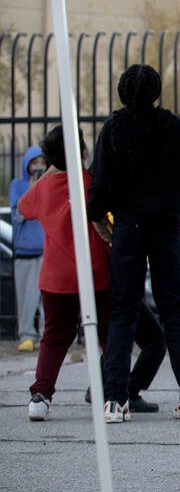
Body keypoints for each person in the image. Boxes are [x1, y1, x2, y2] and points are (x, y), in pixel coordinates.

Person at [88, 64, 180, 423]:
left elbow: (99, 183)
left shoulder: (113, 129)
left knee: (123, 311)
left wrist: (99, 219)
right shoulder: (172, 127)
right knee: (174, 309)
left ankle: (114, 399)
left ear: (122, 93)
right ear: (156, 92)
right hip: (165, 227)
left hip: (127, 227)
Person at [19, 127, 112, 421]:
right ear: (83, 153)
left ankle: (41, 394)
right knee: (109, 333)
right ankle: (110, 391)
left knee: (55, 336)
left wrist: (50, 172)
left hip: (55, 277)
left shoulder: (44, 190)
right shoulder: (92, 183)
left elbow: (24, 207)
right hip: (95, 272)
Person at [10, 145, 47, 352]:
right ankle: (26, 335)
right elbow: (19, 214)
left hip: (46, 249)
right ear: (27, 165)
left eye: (42, 163)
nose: (39, 167)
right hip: (25, 251)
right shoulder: (17, 185)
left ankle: (46, 335)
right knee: (26, 296)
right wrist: (31, 189)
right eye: (35, 163)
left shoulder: (48, 184)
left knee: (47, 297)